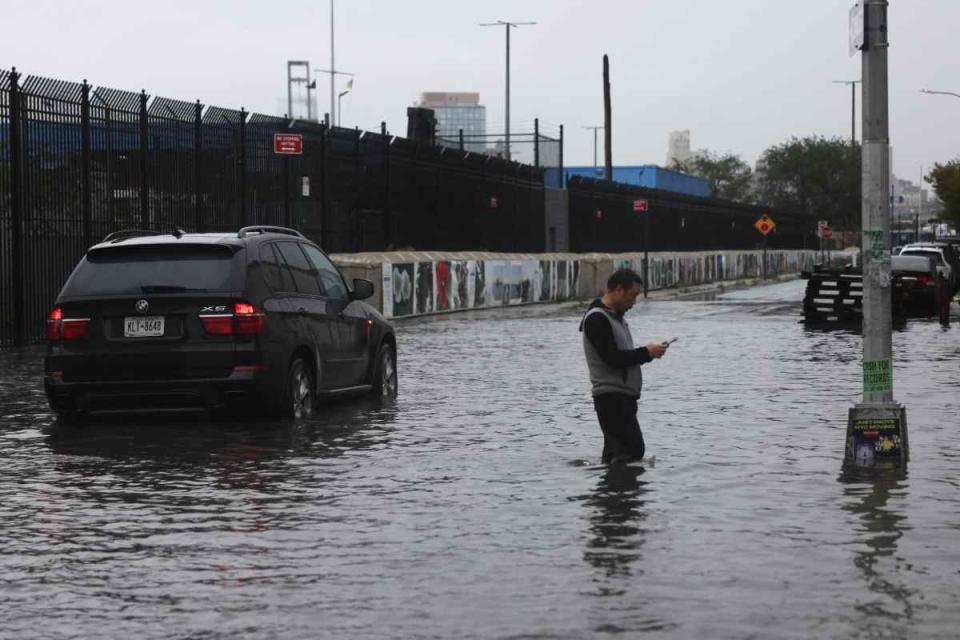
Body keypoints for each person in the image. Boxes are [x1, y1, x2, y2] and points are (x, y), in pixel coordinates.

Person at [579, 268, 668, 464]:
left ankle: (611, 492)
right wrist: (646, 352)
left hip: (622, 398)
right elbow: (612, 359)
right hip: (611, 398)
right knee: (633, 450)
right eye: (632, 295)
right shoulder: (597, 319)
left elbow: (622, 357)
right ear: (618, 289)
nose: (634, 302)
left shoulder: (615, 318)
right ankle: (621, 492)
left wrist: (648, 354)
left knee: (615, 455)